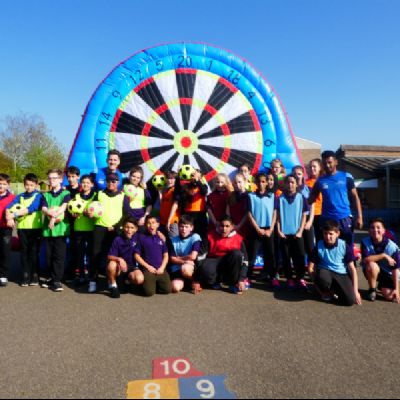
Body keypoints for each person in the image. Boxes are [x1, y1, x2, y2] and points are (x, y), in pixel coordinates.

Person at [308, 150, 363, 247]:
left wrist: (360, 217)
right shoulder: (320, 181)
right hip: (327, 219)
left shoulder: (346, 176)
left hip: (344, 218)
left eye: (330, 162)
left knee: (347, 247)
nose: (327, 165)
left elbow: (355, 197)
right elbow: (310, 199)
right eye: (324, 163)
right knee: (327, 248)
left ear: (336, 162)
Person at [88, 173, 129, 293]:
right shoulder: (99, 194)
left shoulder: (123, 195)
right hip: (100, 227)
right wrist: (90, 213)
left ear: (118, 182)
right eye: (109, 181)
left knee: (112, 256)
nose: (111, 183)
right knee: (95, 254)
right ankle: (93, 281)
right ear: (105, 182)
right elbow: (92, 208)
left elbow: (126, 214)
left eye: (114, 181)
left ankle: (111, 281)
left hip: (115, 230)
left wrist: (116, 226)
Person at [309, 220, 362, 306]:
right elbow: (310, 268)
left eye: (331, 234)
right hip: (325, 271)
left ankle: (335, 290)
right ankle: (327, 291)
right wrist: (320, 291)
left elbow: (352, 269)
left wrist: (356, 291)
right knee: (322, 277)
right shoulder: (319, 245)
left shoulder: (344, 245)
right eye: (325, 233)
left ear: (337, 234)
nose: (327, 236)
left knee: (349, 301)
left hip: (341, 273)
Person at [6, 173, 43, 286]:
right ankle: (25, 275)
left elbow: (32, 208)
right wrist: (8, 217)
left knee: (34, 252)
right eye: (27, 185)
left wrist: (14, 214)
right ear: (24, 184)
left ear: (36, 185)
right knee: (24, 252)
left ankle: (35, 275)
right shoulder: (20, 196)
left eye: (32, 185)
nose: (29, 187)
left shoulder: (39, 196)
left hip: (35, 228)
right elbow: (9, 207)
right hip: (22, 229)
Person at [195, 216, 248, 295]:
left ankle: (233, 283)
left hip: (230, 264)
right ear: (218, 225)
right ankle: (214, 281)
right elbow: (200, 258)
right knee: (205, 266)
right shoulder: (209, 236)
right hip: (214, 261)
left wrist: (241, 279)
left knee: (237, 254)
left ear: (232, 227)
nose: (224, 229)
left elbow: (245, 261)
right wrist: (197, 279)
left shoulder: (238, 239)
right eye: (222, 226)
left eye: (227, 226)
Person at [276, 174, 308, 290]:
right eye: (288, 182)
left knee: (300, 256)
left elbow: (304, 216)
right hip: (284, 234)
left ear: (296, 184)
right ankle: (289, 279)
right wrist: (279, 230)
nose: (290, 184)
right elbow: (277, 217)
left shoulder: (301, 197)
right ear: (285, 184)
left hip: (297, 234)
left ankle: (300, 278)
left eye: (292, 182)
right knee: (286, 257)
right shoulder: (280, 198)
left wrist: (300, 231)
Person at [41, 169, 71, 292]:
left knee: (59, 256)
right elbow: (44, 208)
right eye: (50, 178)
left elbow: (63, 207)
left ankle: (57, 280)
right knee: (48, 256)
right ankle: (50, 277)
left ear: (60, 179)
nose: (51, 180)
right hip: (48, 230)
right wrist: (50, 213)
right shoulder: (46, 195)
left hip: (60, 230)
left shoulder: (66, 193)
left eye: (54, 178)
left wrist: (53, 218)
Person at [247, 172, 278, 285]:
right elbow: (249, 213)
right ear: (255, 182)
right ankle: (247, 277)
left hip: (269, 229)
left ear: (266, 183)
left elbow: (275, 212)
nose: (261, 184)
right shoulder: (251, 196)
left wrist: (271, 229)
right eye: (259, 181)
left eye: (263, 181)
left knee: (270, 254)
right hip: (256, 229)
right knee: (252, 254)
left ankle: (272, 276)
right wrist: (257, 229)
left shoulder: (272, 196)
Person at [361, 218, 400, 303]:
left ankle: (383, 286)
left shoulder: (392, 247)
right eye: (372, 227)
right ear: (369, 231)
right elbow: (365, 260)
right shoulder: (365, 242)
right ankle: (372, 290)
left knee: (390, 296)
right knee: (371, 265)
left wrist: (396, 289)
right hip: (373, 270)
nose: (375, 230)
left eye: (378, 227)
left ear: (383, 231)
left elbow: (395, 269)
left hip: (389, 273)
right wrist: (383, 255)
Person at [133, 216, 171, 297]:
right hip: (148, 269)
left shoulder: (161, 237)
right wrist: (148, 267)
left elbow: (166, 255)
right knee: (149, 292)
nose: (151, 225)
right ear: (145, 225)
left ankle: (154, 284)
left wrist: (162, 267)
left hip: (160, 269)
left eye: (153, 223)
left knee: (167, 290)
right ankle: (146, 284)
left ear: (158, 224)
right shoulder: (142, 238)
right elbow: (136, 255)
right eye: (148, 223)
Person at [71, 174, 96, 286]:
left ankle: (91, 276)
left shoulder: (95, 196)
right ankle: (81, 275)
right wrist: (73, 214)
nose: (85, 184)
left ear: (92, 184)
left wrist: (92, 215)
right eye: (83, 182)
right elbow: (71, 209)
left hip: (91, 229)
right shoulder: (76, 196)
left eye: (87, 182)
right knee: (79, 253)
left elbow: (99, 211)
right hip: (79, 228)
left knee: (90, 253)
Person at [107, 216, 140, 299]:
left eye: (132, 228)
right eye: (127, 227)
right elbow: (109, 256)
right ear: (123, 227)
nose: (129, 230)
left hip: (132, 267)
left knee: (139, 279)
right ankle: (113, 285)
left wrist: (159, 234)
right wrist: (119, 259)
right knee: (111, 265)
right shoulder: (117, 239)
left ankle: (127, 280)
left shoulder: (138, 237)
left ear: (136, 229)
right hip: (120, 267)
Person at [170, 169, 208, 239]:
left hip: (200, 215)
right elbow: (177, 193)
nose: (194, 178)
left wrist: (197, 181)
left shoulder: (203, 186)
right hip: (187, 215)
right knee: (187, 235)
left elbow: (204, 192)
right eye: (192, 175)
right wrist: (178, 178)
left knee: (201, 235)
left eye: (196, 176)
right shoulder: (186, 187)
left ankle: (201, 246)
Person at [168, 215, 202, 293]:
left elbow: (193, 256)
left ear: (191, 228)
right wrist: (184, 261)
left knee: (185, 269)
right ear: (178, 227)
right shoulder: (173, 240)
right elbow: (172, 259)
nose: (184, 229)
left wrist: (178, 258)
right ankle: (186, 283)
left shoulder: (195, 237)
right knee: (175, 288)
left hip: (189, 267)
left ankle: (194, 281)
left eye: (186, 227)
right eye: (181, 226)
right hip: (177, 268)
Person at [292, 165, 316, 262]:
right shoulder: (290, 190)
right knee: (298, 248)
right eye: (295, 174)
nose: (297, 176)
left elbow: (312, 206)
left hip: (307, 220)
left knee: (310, 247)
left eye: (299, 174)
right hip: (295, 220)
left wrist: (310, 221)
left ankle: (312, 268)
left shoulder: (308, 189)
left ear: (303, 175)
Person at [65, 166, 81, 282]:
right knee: (68, 247)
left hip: (79, 223)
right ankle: (69, 271)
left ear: (78, 177)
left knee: (77, 247)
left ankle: (77, 271)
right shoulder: (65, 190)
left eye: (73, 176)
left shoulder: (82, 189)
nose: (71, 179)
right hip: (67, 223)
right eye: (69, 177)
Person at [0, 173, 16, 287]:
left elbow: (16, 210)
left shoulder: (13, 198)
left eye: (4, 184)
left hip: (6, 228)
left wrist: (12, 218)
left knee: (5, 251)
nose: (1, 186)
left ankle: (3, 275)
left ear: (8, 185)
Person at [306, 159, 323, 243]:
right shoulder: (305, 183)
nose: (312, 168)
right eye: (310, 167)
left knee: (320, 238)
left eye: (314, 166)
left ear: (320, 168)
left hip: (320, 214)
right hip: (308, 215)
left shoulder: (324, 181)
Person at [159, 171, 179, 238]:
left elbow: (175, 205)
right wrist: (159, 192)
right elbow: (162, 204)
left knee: (173, 241)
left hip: (172, 222)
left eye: (172, 179)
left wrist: (169, 220)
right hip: (163, 221)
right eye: (168, 178)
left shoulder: (175, 190)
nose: (170, 181)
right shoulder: (166, 191)